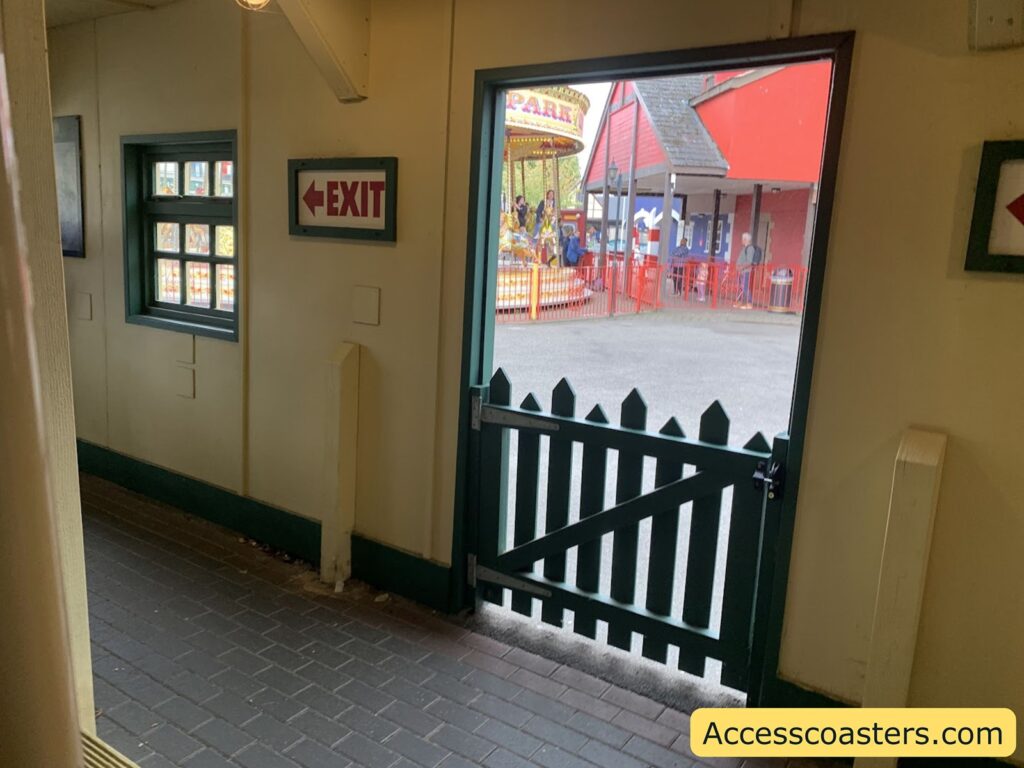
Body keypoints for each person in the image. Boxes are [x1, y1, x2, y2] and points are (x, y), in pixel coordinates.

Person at [736, 231, 763, 308]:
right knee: (741, 287)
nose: (741, 240)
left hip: (745, 271)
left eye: (743, 239)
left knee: (745, 287)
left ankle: (749, 303)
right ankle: (741, 302)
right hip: (741, 271)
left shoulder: (750, 248)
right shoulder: (745, 248)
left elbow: (749, 261)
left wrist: (741, 268)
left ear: (745, 239)